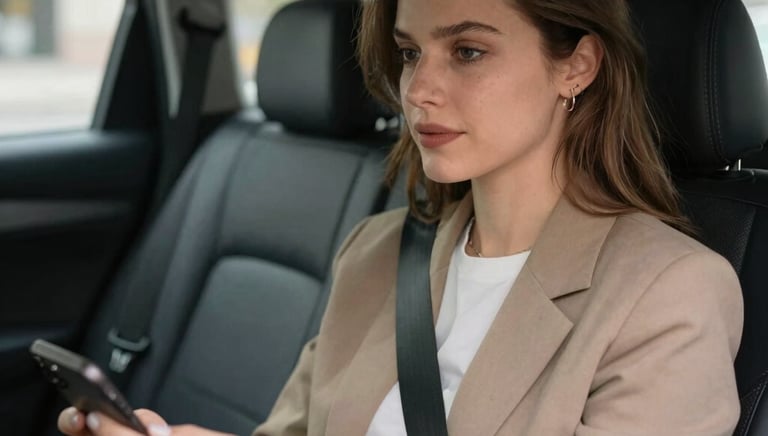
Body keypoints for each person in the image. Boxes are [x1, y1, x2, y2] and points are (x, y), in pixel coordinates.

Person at [58, 0, 743, 435]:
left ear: (577, 67)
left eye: (467, 51)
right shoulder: (378, 252)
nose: (419, 88)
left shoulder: (669, 295)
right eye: (412, 53)